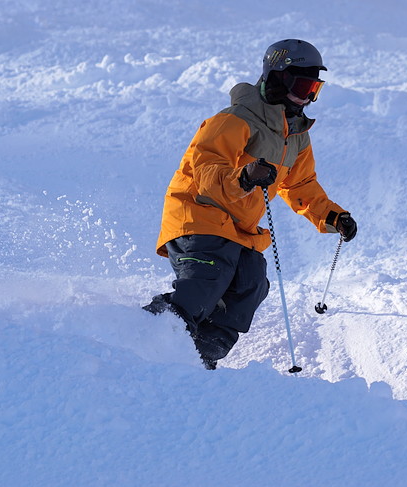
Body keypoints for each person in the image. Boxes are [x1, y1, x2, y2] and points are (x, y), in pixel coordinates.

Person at [144, 39, 357, 369]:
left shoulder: (296, 135)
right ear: (278, 78)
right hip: (199, 212)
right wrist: (244, 177)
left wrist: (331, 216)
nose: (306, 97)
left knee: (251, 284)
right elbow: (205, 167)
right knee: (209, 276)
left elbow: (300, 185)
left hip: (239, 227)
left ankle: (199, 356)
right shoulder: (235, 119)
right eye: (301, 85)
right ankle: (144, 334)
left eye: (314, 88)